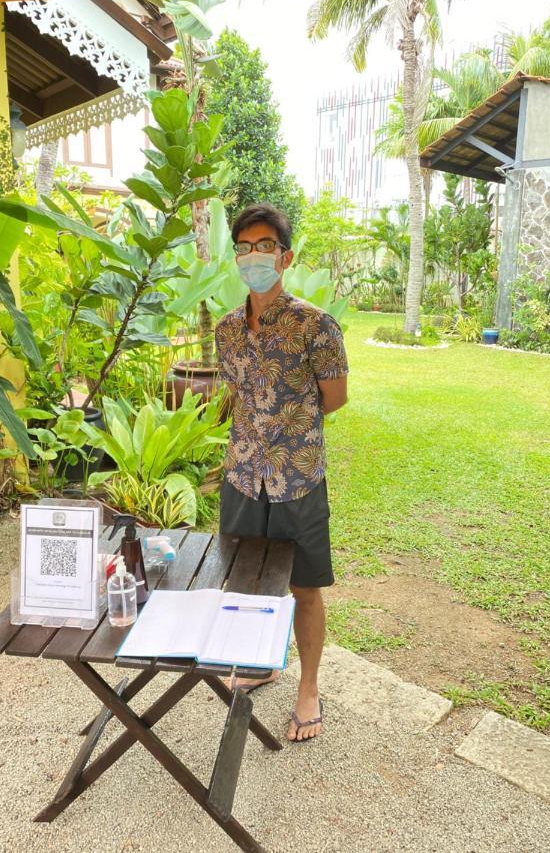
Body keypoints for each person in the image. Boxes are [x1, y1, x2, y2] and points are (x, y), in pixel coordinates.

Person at [215, 203, 349, 742]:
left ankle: (308, 688)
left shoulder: (316, 326)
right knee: (246, 583)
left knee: (305, 588)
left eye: (264, 246)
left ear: (285, 256)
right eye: (244, 248)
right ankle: (261, 661)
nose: (253, 257)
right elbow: (236, 392)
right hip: (243, 477)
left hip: (298, 478)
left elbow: (334, 400)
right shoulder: (227, 331)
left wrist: (286, 429)